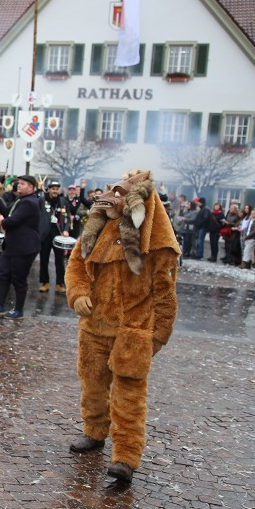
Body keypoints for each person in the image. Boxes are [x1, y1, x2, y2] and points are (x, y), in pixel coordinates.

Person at [65, 170, 180, 483]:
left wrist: (157, 335)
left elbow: (164, 291)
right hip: (94, 327)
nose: (111, 198)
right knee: (92, 382)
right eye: (111, 191)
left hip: (133, 331)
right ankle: (94, 431)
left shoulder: (153, 241)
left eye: (120, 194)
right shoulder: (96, 229)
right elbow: (76, 266)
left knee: (129, 395)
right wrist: (77, 295)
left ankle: (126, 456)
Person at [0, 175, 42, 319]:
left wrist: (3, 222)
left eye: (22, 184)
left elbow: (13, 220)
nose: (18, 185)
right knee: (3, 274)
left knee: (19, 278)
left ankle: (18, 309)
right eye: (18, 183)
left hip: (24, 247)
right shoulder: (21, 200)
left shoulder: (30, 203)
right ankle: (0, 305)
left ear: (31, 187)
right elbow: (7, 212)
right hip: (12, 245)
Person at [38, 180, 68, 293]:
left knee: (59, 260)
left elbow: (67, 217)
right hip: (45, 234)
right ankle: (45, 283)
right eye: (53, 188)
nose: (55, 191)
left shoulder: (63, 202)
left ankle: (60, 284)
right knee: (44, 259)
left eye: (57, 189)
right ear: (48, 189)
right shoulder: (42, 200)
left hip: (58, 235)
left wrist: (65, 230)